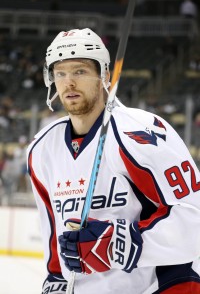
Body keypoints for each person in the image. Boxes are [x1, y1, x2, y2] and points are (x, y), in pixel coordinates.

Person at [27, 28, 200, 294]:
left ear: (105, 75)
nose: (69, 82)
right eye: (60, 73)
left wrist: (119, 245)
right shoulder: (42, 148)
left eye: (80, 71)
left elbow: (193, 218)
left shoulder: (140, 132)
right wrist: (57, 280)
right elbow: (54, 238)